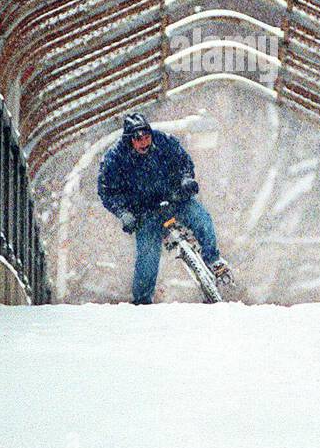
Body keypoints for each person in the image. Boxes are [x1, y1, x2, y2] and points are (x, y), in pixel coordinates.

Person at [97, 113, 231, 305]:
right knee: (147, 260)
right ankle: (142, 304)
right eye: (138, 139)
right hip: (144, 213)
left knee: (201, 219)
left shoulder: (164, 142)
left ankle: (213, 260)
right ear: (129, 140)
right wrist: (123, 213)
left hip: (175, 200)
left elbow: (184, 162)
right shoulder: (115, 158)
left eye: (146, 137)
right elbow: (107, 191)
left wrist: (186, 180)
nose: (144, 142)